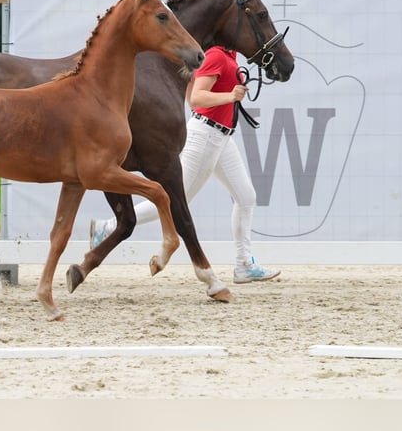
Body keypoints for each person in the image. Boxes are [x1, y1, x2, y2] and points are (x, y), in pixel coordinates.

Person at [89, 44, 280, 284]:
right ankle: (106, 228)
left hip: (221, 137)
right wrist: (230, 96)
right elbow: (197, 98)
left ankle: (244, 264)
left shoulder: (228, 55)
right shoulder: (217, 55)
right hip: (206, 136)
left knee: (246, 197)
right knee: (178, 199)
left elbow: (191, 92)